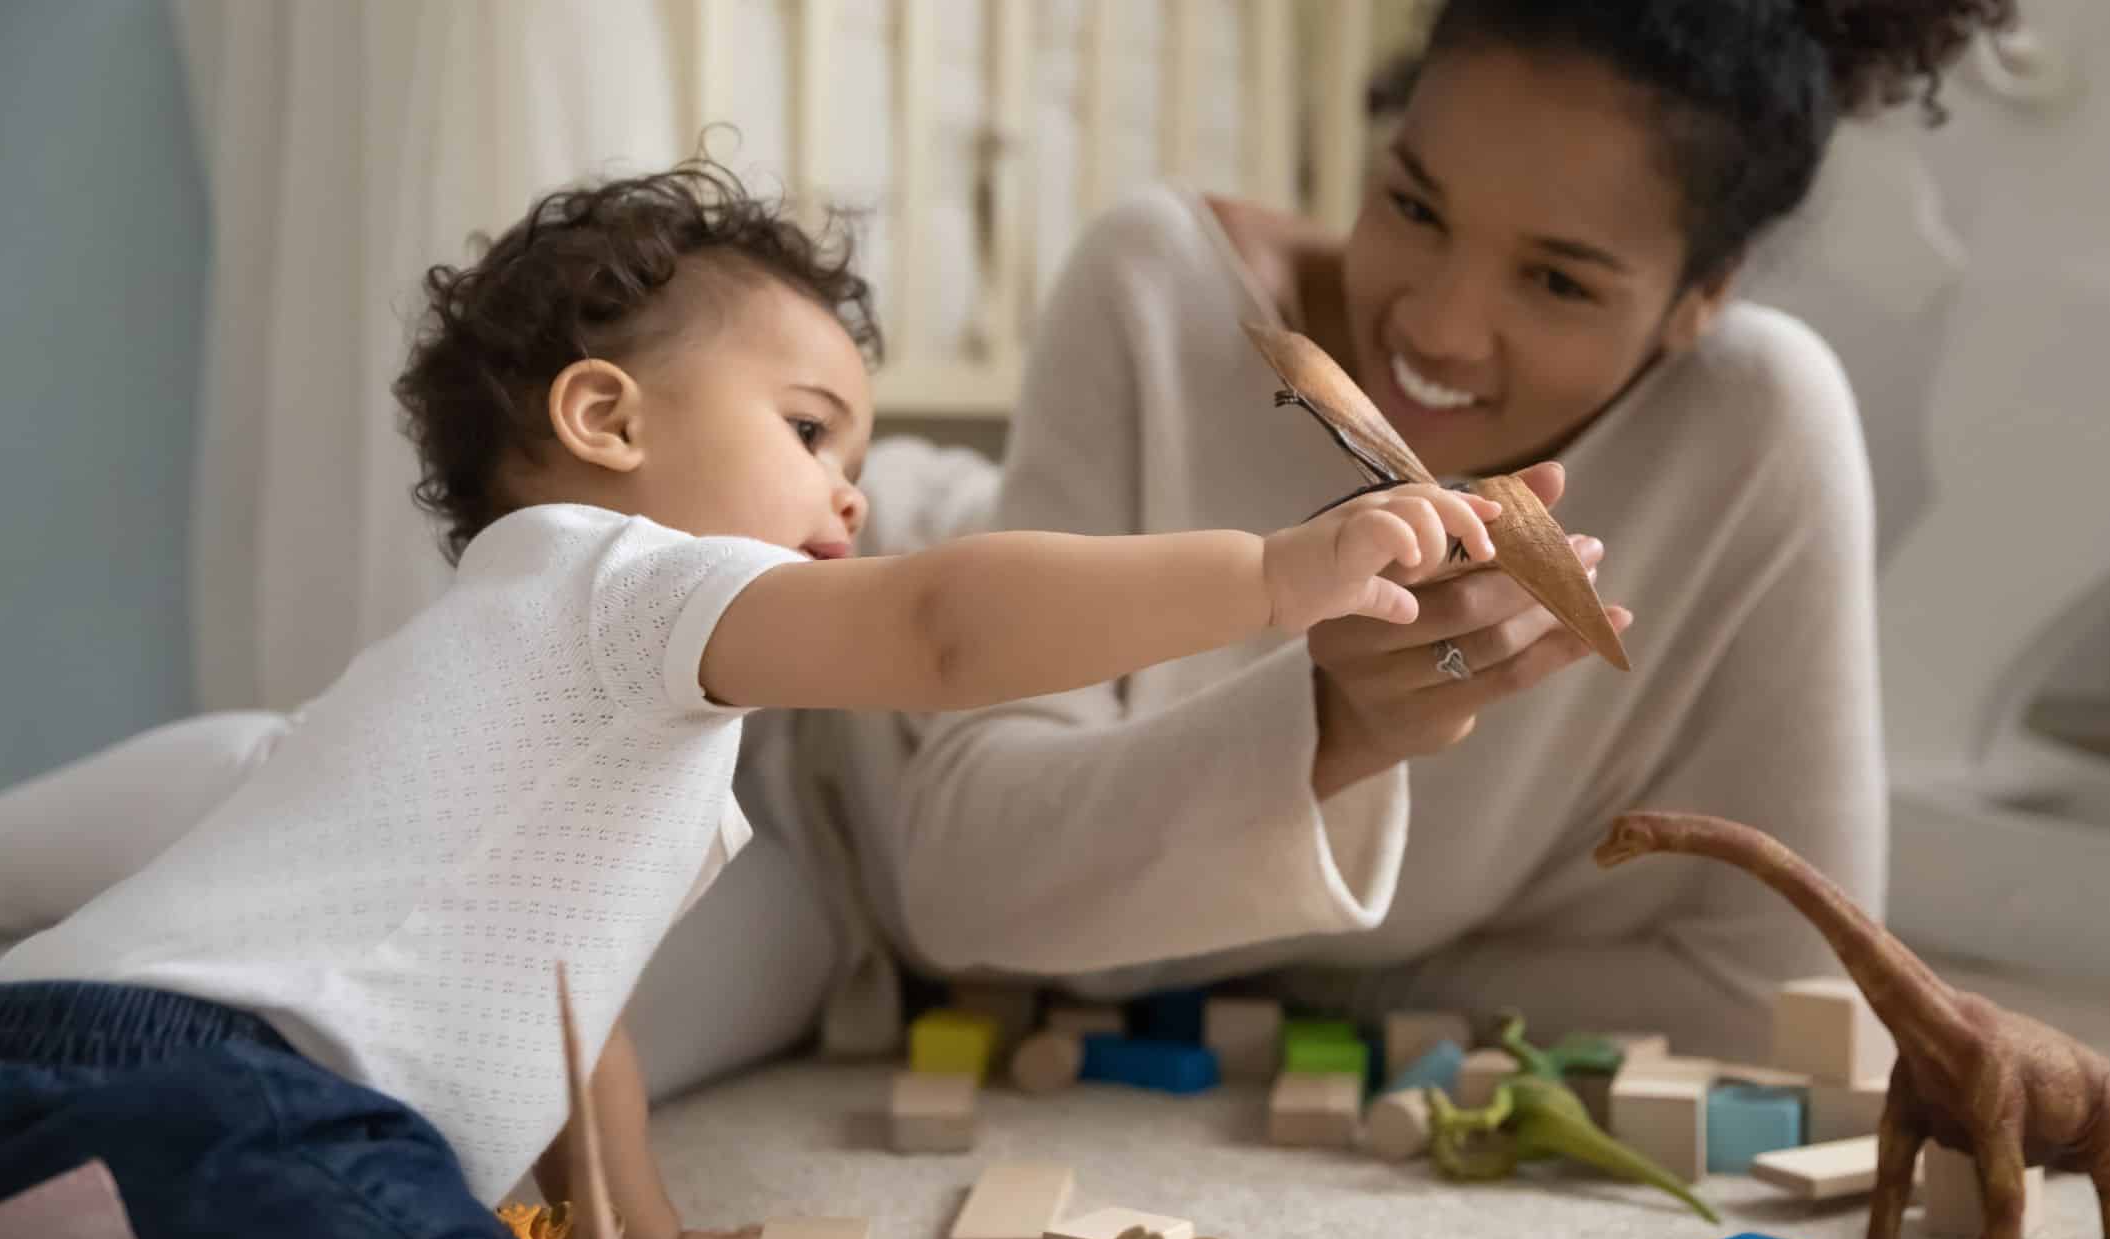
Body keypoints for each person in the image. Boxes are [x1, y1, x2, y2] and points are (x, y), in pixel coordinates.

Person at [0, 159, 1499, 1239]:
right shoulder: (631, 586)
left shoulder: (502, 686)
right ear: (606, 419)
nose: (853, 487)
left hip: (72, 1063)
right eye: (808, 429)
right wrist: (1271, 574)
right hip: (241, 1090)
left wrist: (642, 1236)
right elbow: (944, 626)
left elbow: (578, 1028)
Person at [824, 0, 2017, 1061]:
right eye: (1411, 204)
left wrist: (1282, 952)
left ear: (1699, 298)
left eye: (1556, 282)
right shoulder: (1159, 289)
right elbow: (964, 894)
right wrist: (1322, 736)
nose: (1437, 330)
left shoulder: (1753, 418)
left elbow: (1778, 996)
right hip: (824, 692)